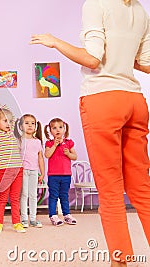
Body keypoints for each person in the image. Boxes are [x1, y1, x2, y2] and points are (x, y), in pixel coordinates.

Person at [31, 0, 150, 265]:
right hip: (134, 101)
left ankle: (119, 262)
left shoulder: (96, 4)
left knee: (110, 190)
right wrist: (121, 55)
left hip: (103, 100)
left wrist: (55, 42)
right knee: (142, 188)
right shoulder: (139, 9)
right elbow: (147, 63)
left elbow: (92, 59)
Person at [0, 99, 25, 234]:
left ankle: (17, 223)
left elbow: (13, 117)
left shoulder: (14, 134)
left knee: (15, 198)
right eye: (4, 121)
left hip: (18, 170)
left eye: (9, 121)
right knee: (3, 198)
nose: (8, 123)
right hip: (5, 171)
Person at [43, 118, 77, 226]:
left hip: (66, 175)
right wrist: (55, 145)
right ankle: (53, 215)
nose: (58, 130)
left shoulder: (69, 143)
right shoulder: (49, 143)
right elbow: (47, 155)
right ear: (50, 131)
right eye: (54, 128)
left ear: (64, 129)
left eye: (60, 127)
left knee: (64, 195)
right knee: (53, 196)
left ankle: (67, 215)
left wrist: (68, 154)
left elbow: (74, 157)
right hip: (53, 175)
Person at [14, 114, 45, 228]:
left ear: (36, 126)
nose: (30, 125)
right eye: (26, 123)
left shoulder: (37, 142)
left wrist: (42, 173)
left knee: (33, 195)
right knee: (24, 194)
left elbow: (40, 157)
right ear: (21, 126)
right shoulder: (19, 141)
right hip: (22, 171)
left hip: (34, 171)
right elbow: (15, 156)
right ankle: (24, 219)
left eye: (32, 123)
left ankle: (33, 218)